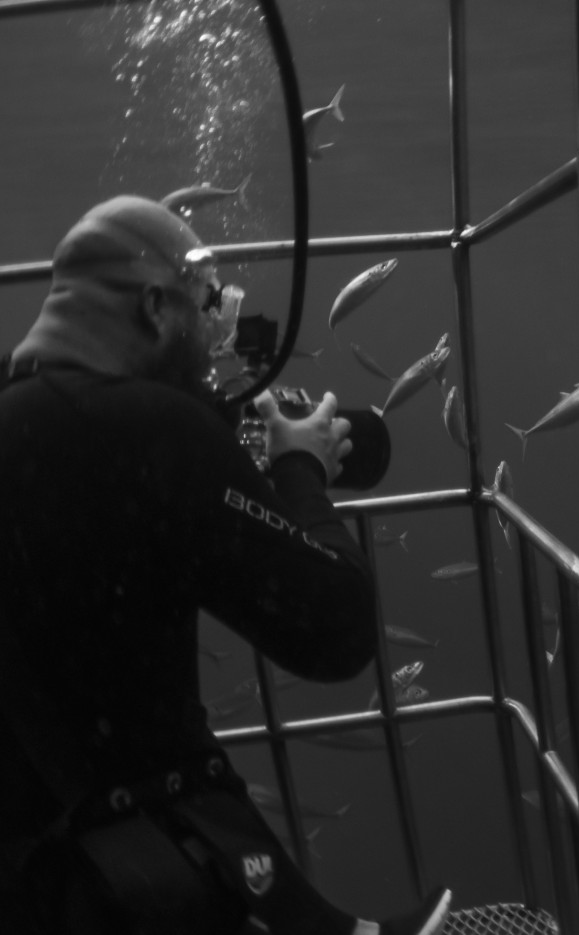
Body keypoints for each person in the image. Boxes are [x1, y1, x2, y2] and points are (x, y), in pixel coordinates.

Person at [0, 196, 450, 935]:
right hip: (123, 873)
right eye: (206, 306)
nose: (216, 334)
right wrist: (300, 472)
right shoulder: (154, 429)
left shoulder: (22, 411)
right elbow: (334, 632)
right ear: (155, 306)